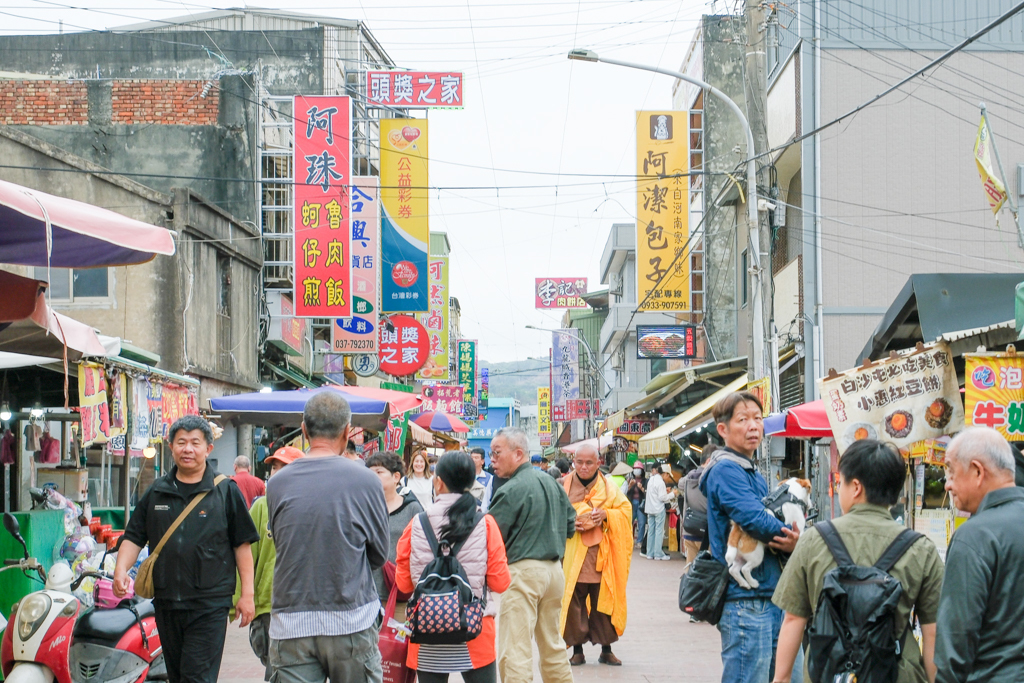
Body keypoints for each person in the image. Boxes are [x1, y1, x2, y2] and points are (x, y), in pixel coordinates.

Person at [771, 439, 944, 683]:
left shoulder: (813, 540)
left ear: (856, 487)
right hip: (897, 672)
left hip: (828, 673)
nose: (839, 489)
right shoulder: (921, 548)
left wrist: (781, 679)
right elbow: (933, 632)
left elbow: (793, 620)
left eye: (840, 483)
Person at [113, 415, 259, 683]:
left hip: (209, 604)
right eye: (181, 442)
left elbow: (242, 545)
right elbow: (134, 536)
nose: (187, 449)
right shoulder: (157, 491)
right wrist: (121, 569)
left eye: (195, 443)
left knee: (197, 678)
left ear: (208, 448)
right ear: (171, 447)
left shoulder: (225, 491)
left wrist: (247, 595)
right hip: (167, 603)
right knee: (178, 676)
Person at [266, 391, 389, 683]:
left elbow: (283, 541)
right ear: (347, 431)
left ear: (304, 429)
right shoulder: (367, 480)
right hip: (351, 619)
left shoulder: (277, 482)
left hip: (291, 622)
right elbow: (379, 554)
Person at [699, 391, 800, 683]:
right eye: (743, 420)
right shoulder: (726, 469)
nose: (753, 426)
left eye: (758, 418)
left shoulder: (750, 470)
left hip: (769, 595)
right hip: (745, 601)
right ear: (723, 429)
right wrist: (796, 541)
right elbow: (756, 521)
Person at [395, 451, 511, 683]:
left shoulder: (416, 523)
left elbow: (403, 584)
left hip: (427, 631)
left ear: (438, 482)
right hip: (474, 630)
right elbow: (500, 582)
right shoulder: (485, 523)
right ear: (471, 482)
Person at [935, 426, 1024, 682]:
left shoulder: (974, 536)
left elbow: (955, 643)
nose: (947, 485)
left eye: (950, 470)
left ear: (977, 471)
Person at [487, 427, 576, 683]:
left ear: (517, 454)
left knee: (515, 648)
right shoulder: (550, 481)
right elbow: (571, 523)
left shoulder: (511, 489)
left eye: (497, 452)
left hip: (522, 572)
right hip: (553, 571)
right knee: (553, 645)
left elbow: (492, 537)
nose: (492, 458)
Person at [559, 444, 632, 667]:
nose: (583, 467)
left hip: (601, 556)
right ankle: (577, 651)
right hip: (573, 556)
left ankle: (606, 649)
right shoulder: (563, 487)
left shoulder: (608, 487)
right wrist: (569, 523)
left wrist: (607, 514)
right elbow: (552, 515)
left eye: (589, 462)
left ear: (598, 463)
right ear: (573, 463)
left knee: (604, 603)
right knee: (574, 604)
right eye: (579, 462)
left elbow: (625, 511)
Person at [236, 446, 305, 681]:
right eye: (275, 467)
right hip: (267, 604)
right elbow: (247, 555)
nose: (276, 473)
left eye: (284, 467)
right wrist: (241, 598)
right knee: (272, 664)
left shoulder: (310, 506)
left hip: (302, 605)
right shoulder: (261, 507)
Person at [366, 451, 424, 604]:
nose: (373, 477)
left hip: (400, 592)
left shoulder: (412, 509)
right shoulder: (364, 507)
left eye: (379, 472)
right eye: (370, 473)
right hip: (367, 592)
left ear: (396, 477)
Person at [680, 446, 712, 569]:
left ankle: (687, 588)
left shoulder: (689, 477)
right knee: (708, 569)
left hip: (689, 529)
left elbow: (680, 484)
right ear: (709, 461)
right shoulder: (710, 478)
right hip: (706, 531)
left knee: (690, 566)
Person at [643, 464, 675, 560]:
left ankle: (650, 553)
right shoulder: (660, 482)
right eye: (668, 475)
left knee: (651, 531)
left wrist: (665, 491)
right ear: (665, 473)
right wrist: (673, 494)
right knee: (659, 531)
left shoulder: (651, 479)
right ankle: (658, 554)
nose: (668, 478)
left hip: (649, 508)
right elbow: (663, 498)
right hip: (658, 509)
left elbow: (655, 493)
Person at [625, 464, 647, 550]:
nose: (637, 470)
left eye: (639, 469)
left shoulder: (645, 481)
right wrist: (630, 486)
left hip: (641, 504)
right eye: (635, 469)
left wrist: (641, 488)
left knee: (641, 523)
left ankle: (639, 541)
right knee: (629, 522)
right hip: (632, 503)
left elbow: (646, 492)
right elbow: (627, 492)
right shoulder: (630, 480)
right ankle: (628, 541)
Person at [470, 447, 495, 513]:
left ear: (482, 461)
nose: (473, 460)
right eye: (472, 458)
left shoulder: (489, 478)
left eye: (476, 458)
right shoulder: (464, 477)